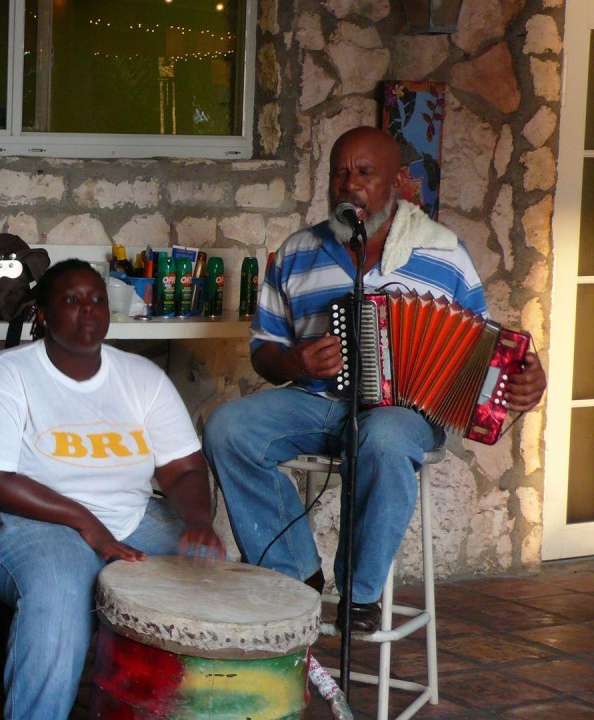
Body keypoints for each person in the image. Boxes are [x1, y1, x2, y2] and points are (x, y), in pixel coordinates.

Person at [203, 126, 548, 634]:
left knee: (382, 436)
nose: (350, 185)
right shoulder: (297, 252)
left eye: (365, 173)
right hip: (317, 402)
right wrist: (296, 363)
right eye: (339, 173)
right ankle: (294, 573)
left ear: (398, 183)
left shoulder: (444, 253)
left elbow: (485, 350)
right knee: (227, 428)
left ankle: (360, 595)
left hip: (405, 414)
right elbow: (264, 351)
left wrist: (524, 382)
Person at [0, 259, 225, 720]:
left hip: (132, 519)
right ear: (43, 315)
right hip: (29, 522)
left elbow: (183, 468)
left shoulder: (141, 377)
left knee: (206, 577)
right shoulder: (9, 373)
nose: (88, 310)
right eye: (72, 300)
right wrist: (88, 524)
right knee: (59, 592)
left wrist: (200, 521)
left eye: (97, 299)